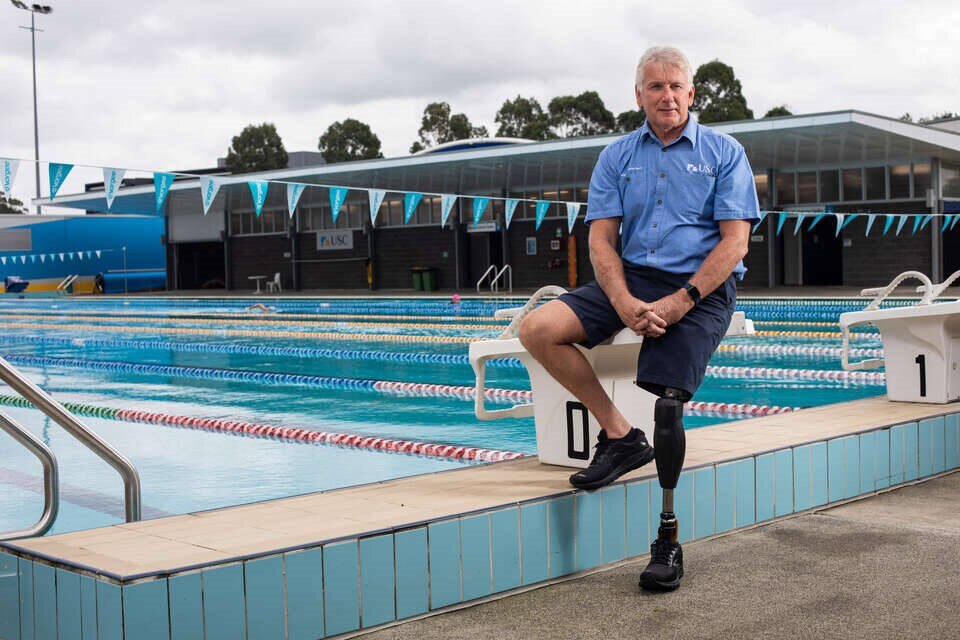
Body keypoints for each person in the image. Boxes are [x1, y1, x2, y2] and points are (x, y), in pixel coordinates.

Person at [518, 45, 759, 591]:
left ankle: (667, 540)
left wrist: (681, 302)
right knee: (539, 329)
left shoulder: (724, 153)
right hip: (631, 279)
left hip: (702, 286)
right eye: (656, 87)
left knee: (668, 407)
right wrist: (623, 300)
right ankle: (620, 435)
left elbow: (734, 243)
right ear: (639, 95)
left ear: (691, 94)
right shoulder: (618, 155)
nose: (667, 96)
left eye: (676, 86)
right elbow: (601, 238)